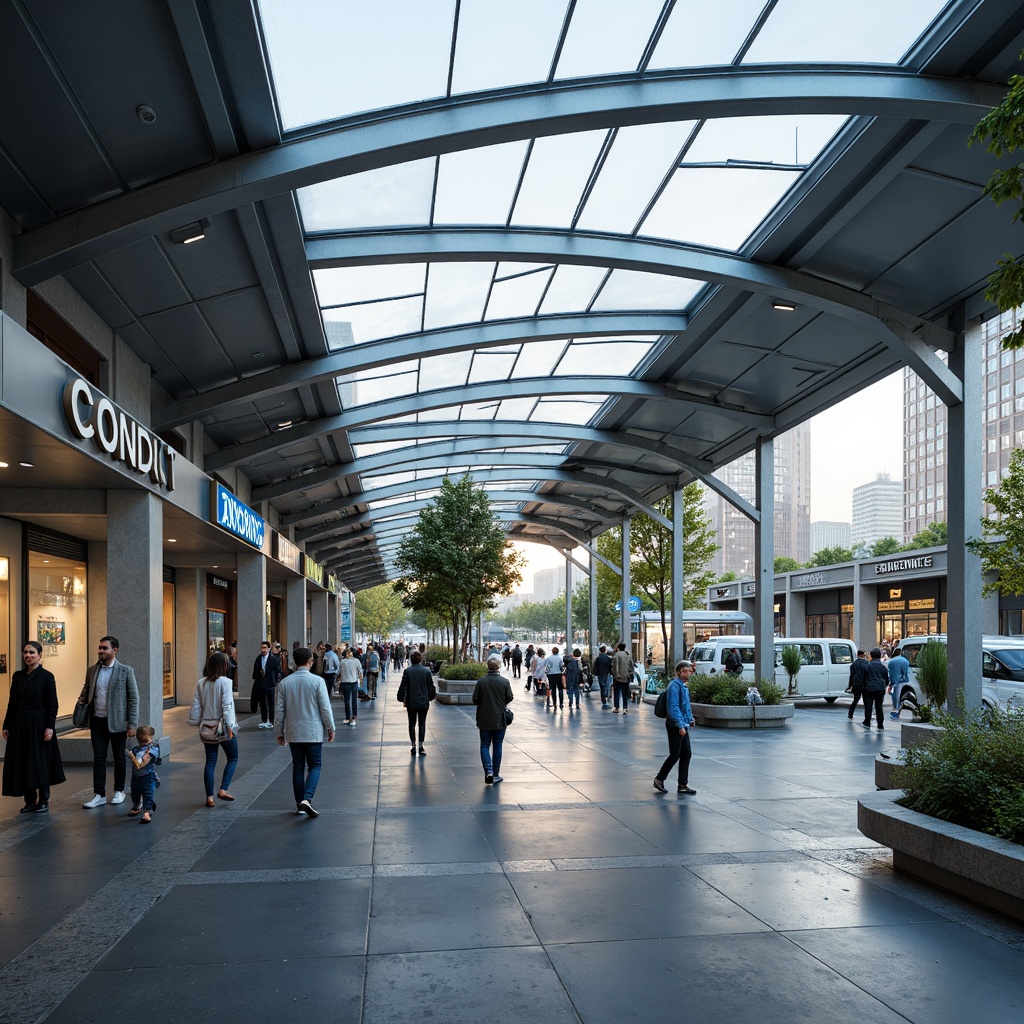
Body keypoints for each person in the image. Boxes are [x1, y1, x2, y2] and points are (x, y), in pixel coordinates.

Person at [2, 641, 65, 813]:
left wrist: (49, 727)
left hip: (39, 722)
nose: (28, 655)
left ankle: (43, 799)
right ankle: (29, 800)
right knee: (23, 760)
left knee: (40, 760)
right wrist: (7, 724)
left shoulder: (47, 676)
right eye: (25, 652)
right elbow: (12, 703)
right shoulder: (18, 676)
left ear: (39, 655)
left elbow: (53, 704)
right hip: (20, 722)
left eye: (32, 652)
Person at [275, 646, 335, 817]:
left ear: (294, 662)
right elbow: (325, 708)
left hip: (294, 731)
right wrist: (330, 728)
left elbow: (279, 711)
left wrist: (279, 731)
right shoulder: (317, 681)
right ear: (310, 661)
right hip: (313, 730)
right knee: (315, 765)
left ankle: (299, 802)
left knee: (298, 767)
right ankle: (307, 799)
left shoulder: (285, 683)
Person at [80, 635, 139, 808]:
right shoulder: (92, 670)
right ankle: (99, 794)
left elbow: (133, 698)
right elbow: (86, 690)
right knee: (99, 758)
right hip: (97, 721)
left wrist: (132, 724)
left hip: (118, 722)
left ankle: (119, 790)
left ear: (115, 650)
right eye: (100, 648)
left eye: (105, 648)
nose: (101, 651)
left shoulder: (126, 671)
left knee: (119, 758)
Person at [188, 651, 239, 807]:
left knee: (210, 762)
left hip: (206, 728)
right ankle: (223, 789)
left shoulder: (201, 683)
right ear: (223, 665)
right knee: (233, 757)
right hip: (222, 728)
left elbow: (196, 706)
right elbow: (227, 706)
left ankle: (209, 798)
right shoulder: (226, 682)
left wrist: (196, 722)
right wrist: (231, 726)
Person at [653, 660, 697, 795]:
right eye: (685, 670)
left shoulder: (683, 686)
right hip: (675, 725)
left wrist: (690, 719)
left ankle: (683, 784)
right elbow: (673, 708)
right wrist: (680, 725)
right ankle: (659, 779)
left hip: (683, 724)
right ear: (679, 672)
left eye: (689, 670)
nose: (688, 673)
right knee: (675, 754)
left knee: (686, 753)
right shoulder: (674, 686)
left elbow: (685, 706)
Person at [472, 654, 513, 784]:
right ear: (499, 667)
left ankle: (488, 771)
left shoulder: (481, 681)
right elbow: (510, 697)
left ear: (488, 667)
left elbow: (475, 699)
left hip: (484, 717)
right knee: (498, 744)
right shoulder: (504, 682)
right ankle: (495, 773)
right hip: (499, 718)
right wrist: (501, 703)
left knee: (484, 744)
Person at [397, 650, 436, 755]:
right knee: (422, 724)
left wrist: (400, 697)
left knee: (411, 724)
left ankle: (413, 745)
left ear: (411, 659)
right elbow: (430, 687)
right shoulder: (426, 671)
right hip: (423, 701)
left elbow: (403, 686)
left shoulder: (408, 671)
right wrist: (430, 697)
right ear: (420, 659)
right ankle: (421, 745)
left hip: (411, 701)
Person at [127, 724, 160, 824]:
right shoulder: (135, 749)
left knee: (147, 794)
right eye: (142, 741)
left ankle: (147, 811)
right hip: (136, 777)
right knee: (135, 792)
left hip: (148, 776)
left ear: (151, 738)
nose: (145, 743)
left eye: (147, 740)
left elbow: (141, 765)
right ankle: (137, 805)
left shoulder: (151, 750)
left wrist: (139, 761)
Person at [251, 640, 282, 729]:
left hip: (270, 683)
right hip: (261, 683)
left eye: (265, 648)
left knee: (271, 702)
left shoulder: (273, 658)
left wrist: (276, 681)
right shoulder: (258, 658)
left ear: (268, 648)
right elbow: (256, 670)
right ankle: (264, 720)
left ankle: (271, 721)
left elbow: (278, 670)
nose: (263, 650)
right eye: (262, 648)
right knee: (262, 702)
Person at [862, 648, 890, 729]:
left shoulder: (867, 666)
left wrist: (864, 687)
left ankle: (867, 722)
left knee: (868, 706)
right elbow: (886, 679)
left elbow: (863, 678)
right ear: (880, 656)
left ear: (871, 656)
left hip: (869, 688)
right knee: (879, 706)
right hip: (880, 689)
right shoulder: (883, 667)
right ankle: (880, 724)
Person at [338, 647, 363, 726]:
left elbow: (339, 671)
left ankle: (348, 717)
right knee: (354, 700)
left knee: (347, 701)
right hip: (354, 682)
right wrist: (360, 680)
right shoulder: (356, 661)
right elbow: (360, 671)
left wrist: (338, 680)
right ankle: (354, 717)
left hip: (345, 682)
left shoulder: (343, 662)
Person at [887, 646, 911, 720]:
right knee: (900, 698)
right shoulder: (905, 661)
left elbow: (889, 673)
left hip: (894, 682)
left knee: (894, 697)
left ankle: (895, 710)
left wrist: (890, 683)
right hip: (903, 682)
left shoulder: (891, 661)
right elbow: (907, 673)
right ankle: (897, 710)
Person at [847, 649, 870, 721]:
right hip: (864, 684)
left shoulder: (854, 664)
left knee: (856, 699)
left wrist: (850, 685)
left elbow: (851, 675)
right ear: (863, 655)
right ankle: (867, 716)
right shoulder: (867, 663)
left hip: (856, 684)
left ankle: (850, 714)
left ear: (857, 655)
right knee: (866, 701)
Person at [611, 642, 633, 714]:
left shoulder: (616, 655)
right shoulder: (628, 655)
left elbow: (614, 666)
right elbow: (631, 666)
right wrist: (630, 674)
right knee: (625, 694)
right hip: (626, 677)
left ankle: (617, 708)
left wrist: (615, 674)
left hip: (617, 678)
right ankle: (625, 708)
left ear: (618, 648)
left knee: (616, 693)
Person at [593, 644, 613, 709]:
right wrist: (611, 673)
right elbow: (610, 667)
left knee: (602, 687)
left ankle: (603, 699)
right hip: (606, 674)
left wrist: (594, 673)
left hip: (600, 674)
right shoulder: (608, 659)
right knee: (606, 686)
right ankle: (605, 698)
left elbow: (595, 667)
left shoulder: (598, 659)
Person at [545, 645, 565, 710]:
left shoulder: (549, 658)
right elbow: (561, 667)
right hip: (559, 674)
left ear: (552, 652)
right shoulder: (560, 658)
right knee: (560, 689)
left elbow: (548, 667)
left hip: (551, 675)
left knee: (553, 689)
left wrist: (546, 673)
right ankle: (561, 703)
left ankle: (554, 703)